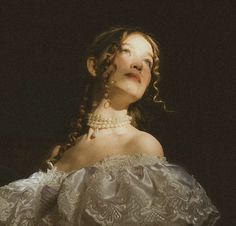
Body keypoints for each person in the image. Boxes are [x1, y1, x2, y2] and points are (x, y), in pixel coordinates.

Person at [0, 27, 220, 226]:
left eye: (149, 62)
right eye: (126, 51)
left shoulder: (141, 145)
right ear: (94, 66)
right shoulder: (59, 152)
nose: (139, 65)